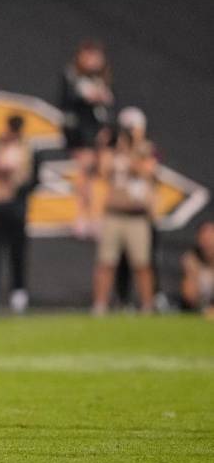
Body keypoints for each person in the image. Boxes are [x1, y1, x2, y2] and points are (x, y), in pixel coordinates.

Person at [92, 108, 156, 316]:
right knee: (106, 261)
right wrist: (107, 146)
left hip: (137, 216)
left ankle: (147, 306)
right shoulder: (112, 153)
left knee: (142, 263)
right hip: (114, 214)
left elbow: (147, 172)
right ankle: (100, 305)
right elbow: (102, 171)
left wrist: (132, 151)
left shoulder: (146, 150)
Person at [0, 115, 37, 313]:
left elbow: (35, 178)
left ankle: (19, 291)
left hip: (17, 207)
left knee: (17, 252)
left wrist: (17, 184)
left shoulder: (28, 149)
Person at [59, 40, 114, 238]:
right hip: (81, 131)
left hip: (98, 130)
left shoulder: (102, 77)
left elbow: (107, 104)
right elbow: (71, 101)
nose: (95, 60)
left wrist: (106, 128)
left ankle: (97, 218)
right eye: (90, 55)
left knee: (102, 174)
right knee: (85, 173)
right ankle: (83, 217)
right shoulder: (72, 75)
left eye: (97, 56)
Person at [180, 220, 214, 316]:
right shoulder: (192, 257)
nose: (208, 240)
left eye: (211, 235)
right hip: (199, 306)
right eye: (204, 236)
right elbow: (189, 295)